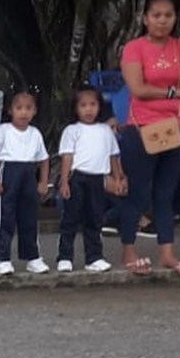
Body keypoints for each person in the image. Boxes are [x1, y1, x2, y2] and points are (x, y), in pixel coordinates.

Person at [118, 0, 180, 279]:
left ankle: (167, 252)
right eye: (156, 15)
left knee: (165, 193)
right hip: (141, 127)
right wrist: (173, 92)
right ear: (145, 19)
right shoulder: (134, 48)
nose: (162, 20)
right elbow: (138, 89)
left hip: (174, 126)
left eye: (168, 15)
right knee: (138, 191)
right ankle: (128, 249)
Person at [56, 85, 125, 273]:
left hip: (98, 179)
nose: (88, 109)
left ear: (99, 106)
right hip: (77, 178)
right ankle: (65, 256)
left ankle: (94, 257)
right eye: (83, 105)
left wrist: (118, 177)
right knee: (70, 218)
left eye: (93, 104)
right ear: (75, 108)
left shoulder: (105, 130)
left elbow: (113, 156)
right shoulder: (72, 130)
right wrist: (64, 181)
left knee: (94, 219)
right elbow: (67, 157)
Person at [0, 89, 50, 275]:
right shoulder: (2, 131)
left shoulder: (35, 134)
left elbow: (43, 159)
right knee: (6, 216)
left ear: (34, 111)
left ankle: (32, 257)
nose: (23, 112)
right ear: (10, 110)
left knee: (29, 217)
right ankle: (3, 258)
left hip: (28, 174)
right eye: (19, 108)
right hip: (9, 173)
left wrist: (43, 182)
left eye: (28, 108)